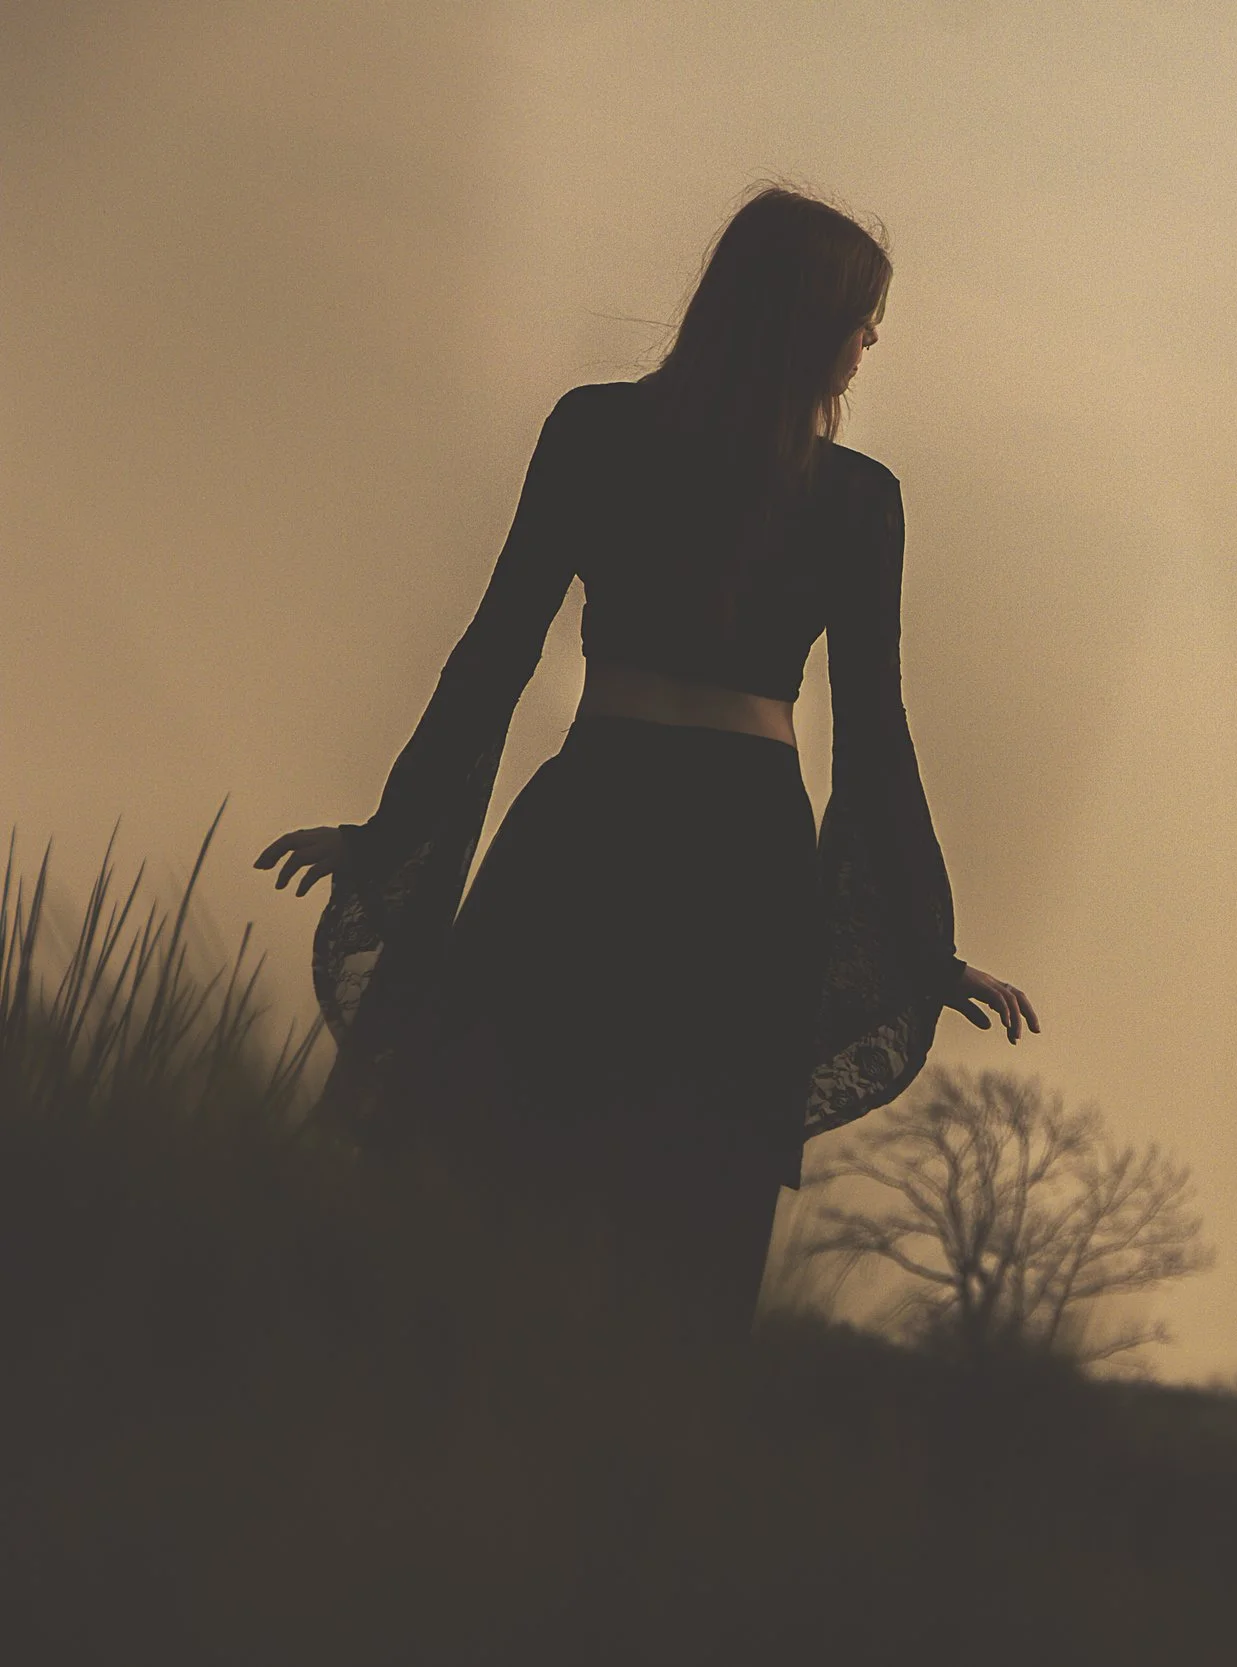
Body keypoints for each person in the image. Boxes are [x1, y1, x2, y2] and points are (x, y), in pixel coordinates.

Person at [256, 183, 1037, 1338]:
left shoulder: (599, 431)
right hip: (731, 854)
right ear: (805, 316)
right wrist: (920, 944)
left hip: (594, 818)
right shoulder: (854, 499)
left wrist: (392, 831)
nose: (872, 340)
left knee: (496, 1177)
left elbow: (492, 657)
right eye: (862, 314)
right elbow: (873, 734)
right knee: (659, 1219)